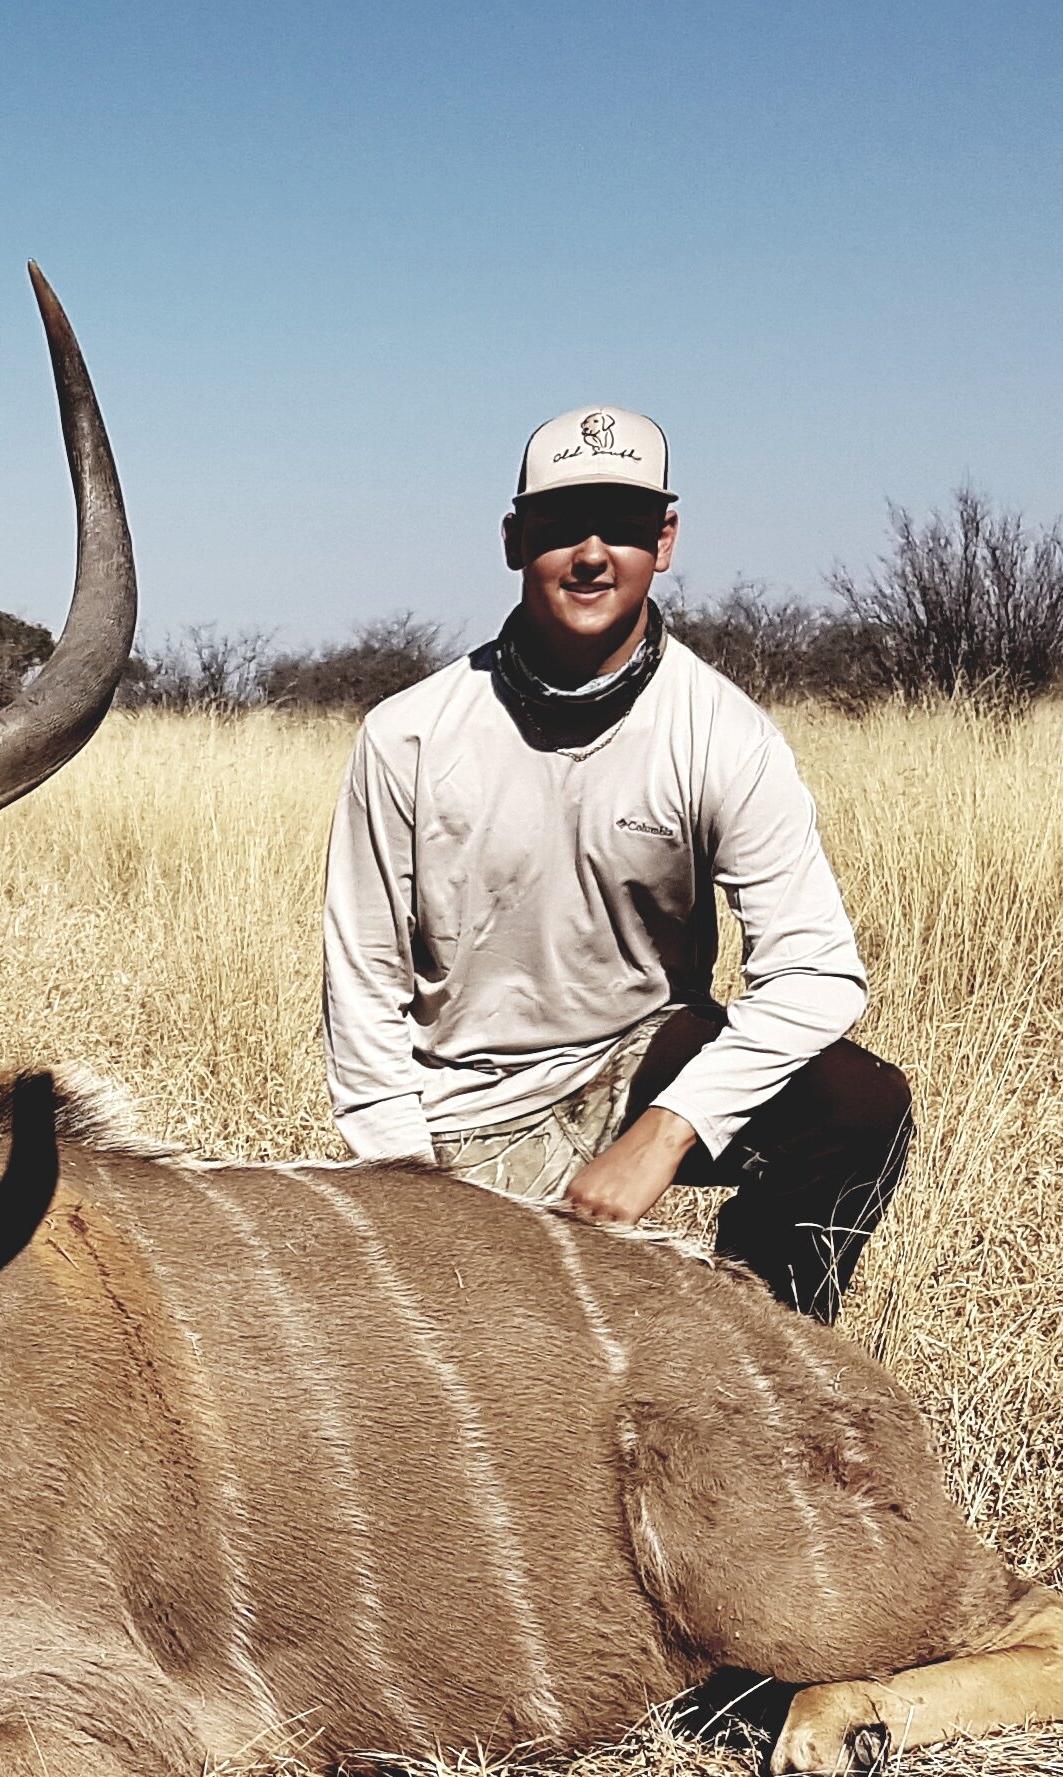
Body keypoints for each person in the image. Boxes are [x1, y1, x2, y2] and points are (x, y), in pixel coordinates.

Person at [320, 405, 911, 1321]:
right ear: (515, 540)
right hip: (462, 1103)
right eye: (560, 527)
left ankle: (761, 1358)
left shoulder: (723, 734)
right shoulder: (406, 733)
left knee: (856, 1107)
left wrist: (667, 1133)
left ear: (663, 541)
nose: (592, 555)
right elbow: (363, 981)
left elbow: (816, 973)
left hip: (636, 1069)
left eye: (624, 528)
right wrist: (400, 1187)